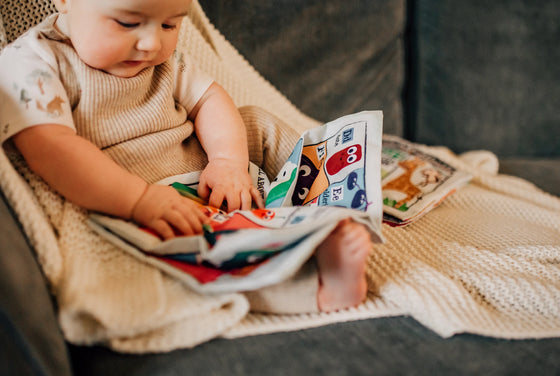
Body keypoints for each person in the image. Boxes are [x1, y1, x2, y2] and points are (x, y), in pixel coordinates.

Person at [0, 0, 372, 312]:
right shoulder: (33, 62)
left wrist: (227, 161)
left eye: (169, 24)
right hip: (139, 198)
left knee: (254, 121)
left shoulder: (164, 60)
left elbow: (209, 98)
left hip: (207, 166)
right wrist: (138, 200)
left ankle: (334, 199)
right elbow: (52, 149)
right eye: (127, 22)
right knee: (174, 266)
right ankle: (319, 289)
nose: (149, 43)